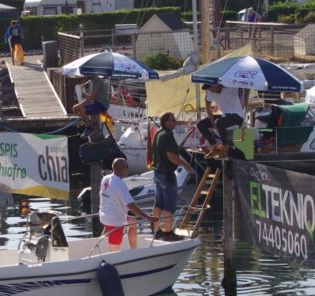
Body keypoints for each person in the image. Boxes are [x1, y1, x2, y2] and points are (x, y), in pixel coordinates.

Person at [99, 158, 157, 251]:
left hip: (104, 216)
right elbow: (131, 205)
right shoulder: (120, 184)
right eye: (127, 167)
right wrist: (147, 217)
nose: (128, 169)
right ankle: (114, 261)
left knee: (133, 222)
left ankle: (133, 251)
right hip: (115, 221)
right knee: (114, 251)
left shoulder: (105, 179)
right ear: (120, 169)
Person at [151, 111, 192, 241]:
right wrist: (185, 165)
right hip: (167, 174)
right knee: (169, 204)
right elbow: (171, 157)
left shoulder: (158, 133)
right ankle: (168, 232)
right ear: (166, 122)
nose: (175, 122)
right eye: (173, 120)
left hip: (157, 172)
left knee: (158, 203)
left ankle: (155, 229)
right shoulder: (167, 136)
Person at [200, 84, 248, 155]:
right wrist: (213, 124)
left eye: (210, 87)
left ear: (216, 85)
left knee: (219, 122)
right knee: (201, 124)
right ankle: (215, 148)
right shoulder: (209, 91)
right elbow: (207, 108)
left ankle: (225, 147)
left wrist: (245, 100)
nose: (209, 90)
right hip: (224, 115)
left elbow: (245, 84)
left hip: (238, 115)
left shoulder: (231, 87)